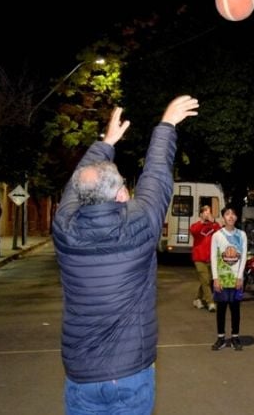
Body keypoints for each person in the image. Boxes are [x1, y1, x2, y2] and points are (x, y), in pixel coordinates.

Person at [52, 96, 199, 415]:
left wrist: (107, 143)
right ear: (121, 195)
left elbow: (75, 187)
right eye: (123, 186)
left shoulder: (64, 228)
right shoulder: (139, 226)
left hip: (80, 374)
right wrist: (167, 125)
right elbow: (158, 178)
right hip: (130, 373)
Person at [209, 205, 247, 351]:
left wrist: (240, 276)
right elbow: (213, 257)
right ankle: (221, 338)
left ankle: (235, 337)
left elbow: (243, 256)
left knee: (235, 309)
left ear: (236, 217)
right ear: (223, 217)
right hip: (222, 278)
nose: (230, 217)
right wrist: (215, 278)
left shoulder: (241, 235)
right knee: (221, 309)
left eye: (233, 214)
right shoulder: (217, 235)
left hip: (236, 278)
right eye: (227, 214)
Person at [190, 204, 221, 312]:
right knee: (205, 280)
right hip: (199, 257)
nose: (208, 214)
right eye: (206, 212)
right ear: (201, 214)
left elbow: (220, 231)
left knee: (207, 280)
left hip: (211, 258)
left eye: (209, 212)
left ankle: (198, 299)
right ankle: (210, 302)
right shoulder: (196, 225)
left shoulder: (213, 226)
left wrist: (213, 221)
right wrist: (203, 221)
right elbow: (194, 232)